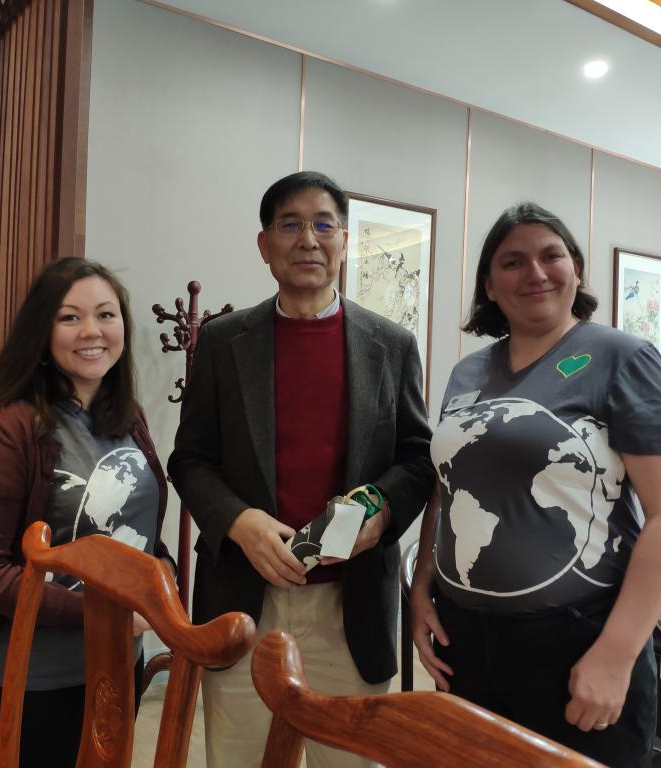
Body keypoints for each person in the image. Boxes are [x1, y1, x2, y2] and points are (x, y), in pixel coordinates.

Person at [409, 203, 661, 768]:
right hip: (465, 638)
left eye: (551, 256)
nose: (535, 273)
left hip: (577, 641)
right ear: (489, 285)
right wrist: (421, 590)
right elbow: (446, 488)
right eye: (512, 262)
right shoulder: (468, 372)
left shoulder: (623, 359)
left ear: (577, 270)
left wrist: (616, 654)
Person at [168, 170, 434, 768]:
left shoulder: (391, 345)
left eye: (323, 224)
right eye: (289, 224)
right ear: (264, 245)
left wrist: (381, 510)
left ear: (345, 241)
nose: (308, 239)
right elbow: (190, 459)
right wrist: (237, 521)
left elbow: (417, 459)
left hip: (352, 603)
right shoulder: (222, 342)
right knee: (240, 759)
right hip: (244, 598)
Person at [0, 257, 173, 768]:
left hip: (117, 668)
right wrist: (103, 613)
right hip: (33, 682)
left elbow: (142, 532)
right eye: (70, 317)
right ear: (42, 332)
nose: (92, 331)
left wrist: (163, 573)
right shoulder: (9, 430)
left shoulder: (129, 418)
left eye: (106, 315)